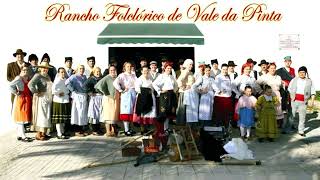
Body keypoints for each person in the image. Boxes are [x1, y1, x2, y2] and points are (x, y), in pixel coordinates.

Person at [153, 61, 178, 147]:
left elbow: (175, 85)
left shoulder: (171, 76)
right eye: (168, 68)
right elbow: (154, 84)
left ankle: (166, 128)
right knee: (163, 112)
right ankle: (161, 129)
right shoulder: (161, 76)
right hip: (164, 95)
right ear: (165, 68)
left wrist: (174, 91)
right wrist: (160, 91)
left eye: (170, 68)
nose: (169, 70)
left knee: (169, 112)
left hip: (171, 95)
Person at [28, 61, 53, 141]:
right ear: (40, 68)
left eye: (47, 68)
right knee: (41, 116)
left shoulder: (48, 76)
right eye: (43, 68)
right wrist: (36, 91)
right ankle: (38, 134)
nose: (45, 69)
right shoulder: (38, 75)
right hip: (41, 97)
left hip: (47, 97)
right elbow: (30, 84)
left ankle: (43, 133)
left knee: (46, 115)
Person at [288, 66, 315, 137]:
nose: (302, 74)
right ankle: (288, 128)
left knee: (302, 117)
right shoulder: (294, 79)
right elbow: (289, 88)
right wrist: (292, 95)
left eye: (303, 72)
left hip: (304, 101)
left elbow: (312, 91)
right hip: (294, 100)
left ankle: (301, 130)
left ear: (305, 73)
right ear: (298, 73)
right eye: (300, 72)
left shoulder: (309, 81)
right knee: (292, 115)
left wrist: (312, 100)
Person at [9, 64, 33, 142]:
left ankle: (19, 135)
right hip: (21, 99)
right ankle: (23, 136)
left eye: (26, 70)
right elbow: (10, 85)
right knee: (21, 117)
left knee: (24, 117)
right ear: (21, 70)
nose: (25, 71)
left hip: (27, 98)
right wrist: (16, 92)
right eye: (24, 70)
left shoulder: (28, 78)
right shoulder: (18, 78)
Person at [113, 62, 137, 136]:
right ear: (124, 67)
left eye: (130, 66)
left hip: (133, 93)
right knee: (126, 111)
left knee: (131, 111)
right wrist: (121, 90)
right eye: (127, 66)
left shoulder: (133, 75)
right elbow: (115, 83)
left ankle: (130, 129)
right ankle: (126, 130)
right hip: (126, 94)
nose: (129, 68)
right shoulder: (122, 75)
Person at [95, 65, 120, 137]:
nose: (113, 71)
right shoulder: (107, 77)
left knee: (113, 115)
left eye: (114, 70)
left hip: (115, 98)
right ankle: (108, 131)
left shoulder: (117, 78)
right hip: (108, 98)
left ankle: (113, 131)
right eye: (111, 70)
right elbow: (97, 86)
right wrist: (105, 92)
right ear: (109, 71)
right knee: (107, 115)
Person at [65, 65, 88, 137]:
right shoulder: (74, 76)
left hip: (84, 95)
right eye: (80, 68)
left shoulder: (84, 77)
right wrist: (73, 90)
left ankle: (81, 129)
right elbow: (66, 83)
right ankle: (77, 130)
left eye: (83, 68)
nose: (82, 70)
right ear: (77, 69)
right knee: (77, 112)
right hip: (77, 95)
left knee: (83, 112)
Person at [134, 66, 157, 135]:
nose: (146, 72)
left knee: (149, 113)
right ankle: (142, 129)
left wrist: (151, 91)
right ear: (141, 71)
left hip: (150, 97)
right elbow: (137, 89)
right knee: (142, 112)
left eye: (147, 71)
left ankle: (147, 128)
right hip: (142, 98)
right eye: (144, 71)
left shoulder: (150, 79)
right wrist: (147, 91)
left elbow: (153, 88)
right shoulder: (139, 79)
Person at [276, 56, 296, 133]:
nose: (288, 62)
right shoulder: (280, 70)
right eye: (286, 61)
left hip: (291, 91)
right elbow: (278, 78)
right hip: (283, 90)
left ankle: (290, 123)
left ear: (291, 62)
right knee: (282, 107)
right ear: (284, 62)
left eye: (289, 61)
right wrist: (283, 82)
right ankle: (281, 123)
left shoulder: (293, 70)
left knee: (291, 107)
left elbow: (293, 79)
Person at [51, 67, 71, 139]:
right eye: (61, 72)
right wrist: (58, 93)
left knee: (63, 118)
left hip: (65, 100)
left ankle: (62, 132)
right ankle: (59, 133)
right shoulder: (57, 80)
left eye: (64, 72)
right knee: (58, 119)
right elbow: (53, 90)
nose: (63, 73)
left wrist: (66, 92)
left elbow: (68, 89)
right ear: (58, 73)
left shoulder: (66, 80)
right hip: (58, 101)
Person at [84, 67, 103, 135]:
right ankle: (94, 130)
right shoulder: (91, 79)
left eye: (99, 71)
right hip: (94, 97)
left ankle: (98, 129)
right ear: (94, 72)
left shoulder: (101, 78)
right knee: (94, 113)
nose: (98, 73)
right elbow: (85, 85)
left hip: (101, 97)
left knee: (99, 113)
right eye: (96, 71)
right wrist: (89, 92)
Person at [176, 59, 194, 124]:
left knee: (187, 108)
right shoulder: (185, 71)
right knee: (182, 108)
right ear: (186, 65)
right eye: (190, 64)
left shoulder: (190, 72)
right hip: (184, 93)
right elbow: (178, 80)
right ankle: (181, 122)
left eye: (192, 64)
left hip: (189, 92)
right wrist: (182, 87)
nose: (191, 66)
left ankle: (186, 122)